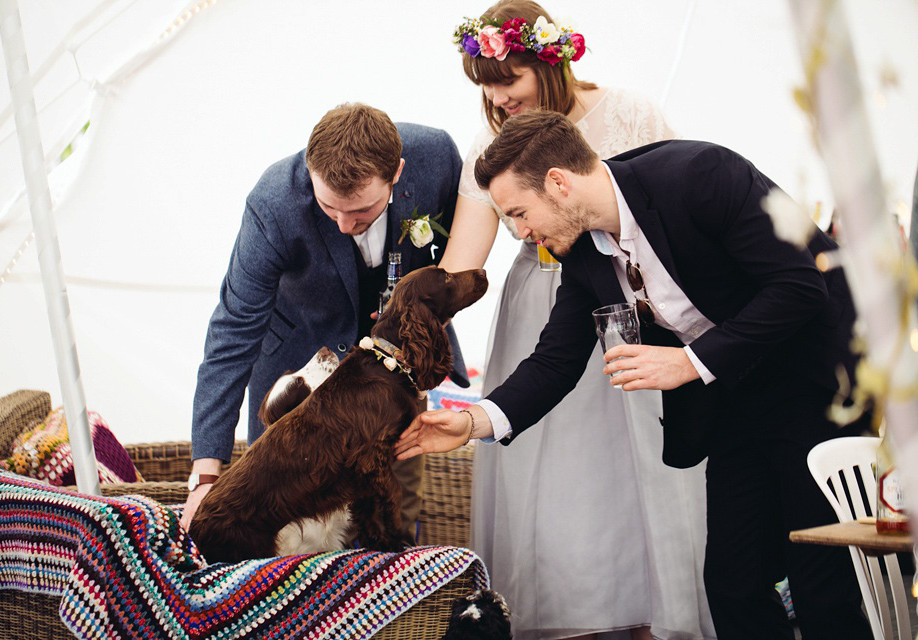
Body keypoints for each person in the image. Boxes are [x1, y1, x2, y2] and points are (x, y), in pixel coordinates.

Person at [397, 109, 873, 640]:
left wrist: (687, 362)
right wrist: (475, 422)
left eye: (519, 212)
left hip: (818, 385)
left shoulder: (701, 174)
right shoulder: (582, 252)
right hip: (736, 403)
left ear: (558, 184)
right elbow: (556, 358)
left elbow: (800, 287)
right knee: (732, 584)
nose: (519, 232)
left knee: (820, 585)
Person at [440, 3, 712, 639]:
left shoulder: (632, 113)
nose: (497, 97)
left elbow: (669, 207)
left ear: (549, 61)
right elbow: (464, 264)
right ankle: (570, 622)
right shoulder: (492, 145)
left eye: (508, 79)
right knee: (558, 476)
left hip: (634, 308)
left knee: (646, 462)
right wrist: (407, 319)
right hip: (543, 313)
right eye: (485, 84)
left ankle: (660, 614)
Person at [181, 103, 470, 538]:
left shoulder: (437, 157)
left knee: (392, 516)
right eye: (328, 208)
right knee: (285, 537)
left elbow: (456, 260)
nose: (342, 225)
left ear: (398, 173)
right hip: (301, 391)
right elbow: (233, 330)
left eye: (361, 211)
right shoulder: (273, 202)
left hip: (394, 385)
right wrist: (205, 476)